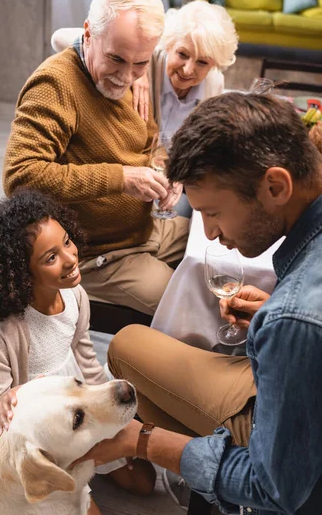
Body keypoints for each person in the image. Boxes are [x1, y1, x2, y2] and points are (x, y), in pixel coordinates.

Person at [73, 92, 322, 514]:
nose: (209, 234)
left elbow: (274, 490)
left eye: (214, 212)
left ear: (276, 185)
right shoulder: (296, 311)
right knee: (131, 347)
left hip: (294, 471)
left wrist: (144, 442)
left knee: (132, 368)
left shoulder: (295, 319)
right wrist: (274, 316)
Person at [0, 189, 156, 515]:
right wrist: (0, 408)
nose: (70, 258)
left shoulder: (75, 296)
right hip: (49, 435)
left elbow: (86, 356)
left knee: (144, 483)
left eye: (66, 241)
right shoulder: (6, 329)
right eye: (50, 257)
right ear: (22, 274)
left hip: (80, 410)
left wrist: (110, 418)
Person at [3, 0, 190, 317]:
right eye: (116, 59)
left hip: (142, 229)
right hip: (94, 253)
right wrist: (121, 178)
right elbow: (20, 177)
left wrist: (167, 169)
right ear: (87, 33)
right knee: (188, 305)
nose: (126, 77)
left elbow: (148, 147)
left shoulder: (134, 79)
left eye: (140, 64)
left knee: (210, 246)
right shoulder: (55, 85)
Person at [52, 0, 238, 216]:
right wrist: (137, 67)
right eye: (182, 54)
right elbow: (58, 38)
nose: (188, 70)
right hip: (126, 173)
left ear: (214, 64)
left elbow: (201, 148)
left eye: (202, 63)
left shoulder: (213, 85)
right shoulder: (146, 60)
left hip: (169, 182)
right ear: (168, 45)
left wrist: (179, 174)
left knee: (190, 218)